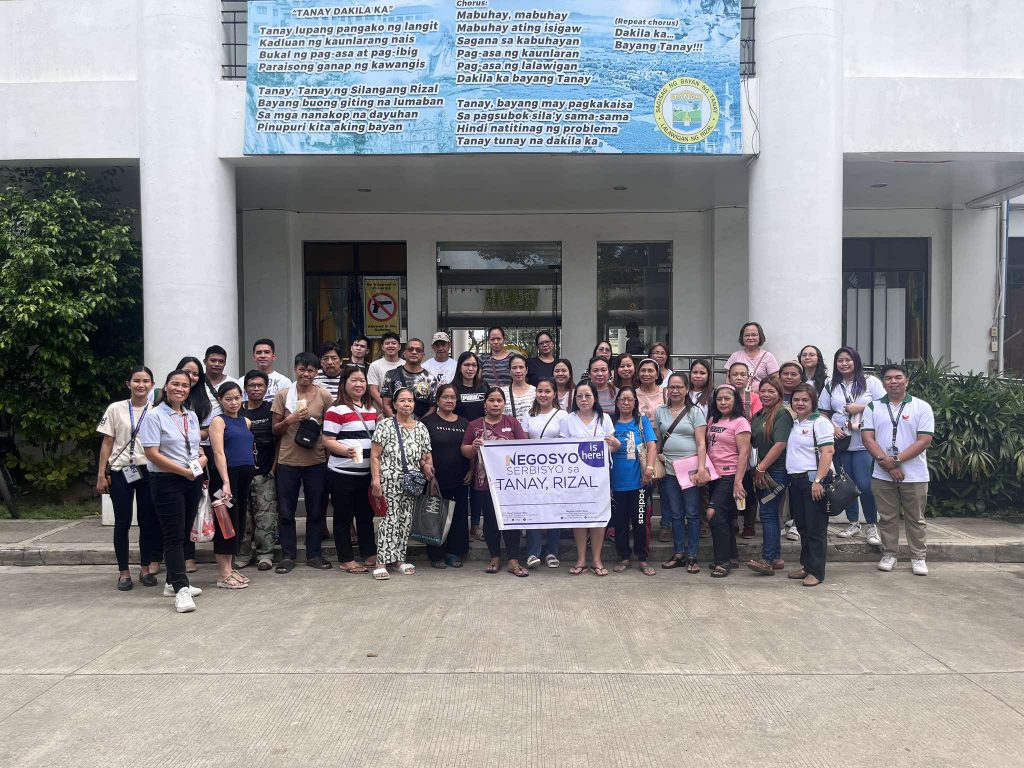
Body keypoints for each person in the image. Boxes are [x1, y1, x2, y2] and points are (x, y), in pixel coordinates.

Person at [138, 370, 206, 614]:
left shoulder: (191, 415)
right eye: (175, 384)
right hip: (167, 480)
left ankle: (171, 582)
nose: (180, 388)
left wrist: (201, 459)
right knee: (173, 535)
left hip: (191, 479)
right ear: (165, 387)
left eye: (185, 385)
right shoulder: (154, 416)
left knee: (184, 532)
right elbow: (152, 454)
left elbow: (196, 448)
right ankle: (180, 588)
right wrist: (182, 471)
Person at [861, 364, 935, 576]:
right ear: (883, 383)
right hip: (881, 473)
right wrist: (888, 463)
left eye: (898, 377)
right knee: (887, 517)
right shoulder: (873, 407)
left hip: (915, 474)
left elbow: (924, 440)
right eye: (888, 378)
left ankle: (918, 557)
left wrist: (896, 460)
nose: (893, 381)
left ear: (907, 381)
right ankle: (889, 554)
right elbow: (868, 438)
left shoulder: (921, 407)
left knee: (916, 518)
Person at [96, 365, 161, 591]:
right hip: (120, 470)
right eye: (136, 380)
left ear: (152, 385)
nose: (141, 385)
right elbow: (106, 443)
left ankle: (145, 569)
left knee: (147, 521)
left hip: (147, 470)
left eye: (145, 381)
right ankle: (124, 572)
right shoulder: (116, 409)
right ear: (128, 384)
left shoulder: (156, 411)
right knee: (122, 522)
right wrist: (101, 474)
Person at [271, 352, 334, 574]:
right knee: (286, 511)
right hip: (288, 460)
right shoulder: (283, 395)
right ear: (295, 369)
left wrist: (315, 422)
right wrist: (290, 420)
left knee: (315, 510)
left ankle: (314, 553)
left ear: (316, 372)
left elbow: (332, 429)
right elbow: (275, 429)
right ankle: (288, 555)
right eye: (302, 369)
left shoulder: (324, 396)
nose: (306, 374)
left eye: (311, 370)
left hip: (316, 460)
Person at [461, 388, 530, 576]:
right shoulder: (475, 425)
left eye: (499, 400)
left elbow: (524, 450)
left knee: (511, 520)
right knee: (490, 520)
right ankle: (494, 557)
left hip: (510, 484)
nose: (495, 404)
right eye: (492, 400)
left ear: (504, 404)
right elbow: (464, 450)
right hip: (485, 482)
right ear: (485, 403)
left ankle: (513, 560)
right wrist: (474, 447)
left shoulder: (512, 423)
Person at [820, 346, 885, 543]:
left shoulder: (870, 382)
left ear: (856, 361)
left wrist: (861, 407)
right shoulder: (831, 384)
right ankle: (853, 523)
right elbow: (822, 412)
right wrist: (832, 427)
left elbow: (884, 405)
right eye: (840, 360)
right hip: (841, 441)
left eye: (848, 359)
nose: (844, 363)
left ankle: (872, 525)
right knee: (845, 486)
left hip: (863, 441)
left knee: (865, 485)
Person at [370, 388, 435, 580]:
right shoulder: (385, 425)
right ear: (395, 404)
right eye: (402, 401)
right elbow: (375, 456)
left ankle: (399, 559)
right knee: (389, 520)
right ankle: (381, 562)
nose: (407, 404)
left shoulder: (421, 427)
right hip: (389, 480)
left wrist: (427, 465)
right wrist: (376, 481)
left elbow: (426, 454)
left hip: (412, 481)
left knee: (405, 520)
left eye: (410, 401)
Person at [557, 381, 620, 576]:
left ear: (595, 398)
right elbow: (563, 448)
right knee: (579, 515)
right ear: (574, 400)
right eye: (579, 396)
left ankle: (596, 559)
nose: (584, 399)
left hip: (599, 477)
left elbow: (612, 447)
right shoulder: (568, 419)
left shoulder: (605, 419)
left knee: (598, 516)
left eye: (588, 396)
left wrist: (616, 445)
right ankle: (581, 558)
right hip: (576, 477)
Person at [322, 366, 379, 574]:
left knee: (365, 516)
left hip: (366, 474)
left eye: (362, 381)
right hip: (342, 474)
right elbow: (327, 440)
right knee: (343, 517)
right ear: (344, 383)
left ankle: (369, 552)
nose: (359, 384)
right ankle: (346, 558)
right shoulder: (335, 410)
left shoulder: (371, 410)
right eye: (353, 380)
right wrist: (346, 451)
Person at [654, 373, 709, 573]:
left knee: (692, 514)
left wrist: (702, 469)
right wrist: (655, 460)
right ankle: (678, 553)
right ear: (667, 390)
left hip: (691, 468)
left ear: (687, 389)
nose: (675, 391)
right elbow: (658, 441)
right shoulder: (660, 411)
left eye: (680, 387)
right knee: (676, 513)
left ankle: (692, 555)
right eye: (672, 387)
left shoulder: (695, 412)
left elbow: (702, 443)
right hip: (669, 469)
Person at [785, 383, 835, 587]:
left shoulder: (820, 423)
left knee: (816, 528)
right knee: (803, 526)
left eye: (805, 400)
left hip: (813, 481)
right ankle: (806, 565)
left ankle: (817, 571)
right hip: (796, 481)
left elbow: (828, 452)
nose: (800, 403)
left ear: (813, 402)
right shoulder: (795, 423)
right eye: (796, 399)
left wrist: (818, 481)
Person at [208, 381, 255, 590]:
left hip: (244, 477)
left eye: (237, 398)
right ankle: (223, 573)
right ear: (220, 400)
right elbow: (218, 453)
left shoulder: (245, 421)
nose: (233, 402)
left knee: (237, 521)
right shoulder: (218, 421)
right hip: (225, 479)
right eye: (228, 399)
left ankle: (230, 566)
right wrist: (225, 482)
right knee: (225, 523)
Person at [746, 376, 793, 574]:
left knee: (767, 514)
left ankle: (766, 560)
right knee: (771, 514)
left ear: (779, 394)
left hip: (776, 472)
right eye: (763, 391)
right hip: (759, 470)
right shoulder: (758, 415)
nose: (766, 395)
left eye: (771, 391)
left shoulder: (782, 414)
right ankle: (776, 557)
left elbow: (780, 444)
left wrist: (761, 468)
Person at [518, 378, 566, 568]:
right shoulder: (528, 416)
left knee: (554, 510)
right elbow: (523, 442)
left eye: (547, 391)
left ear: (554, 394)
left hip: (556, 471)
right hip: (533, 472)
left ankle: (552, 552)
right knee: (534, 510)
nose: (543, 395)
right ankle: (533, 553)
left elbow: (565, 444)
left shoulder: (563, 415)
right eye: (540, 391)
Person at [704, 384, 751, 578]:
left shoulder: (740, 422)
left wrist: (738, 481)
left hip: (730, 475)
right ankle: (731, 557)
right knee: (723, 518)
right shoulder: (713, 420)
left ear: (735, 401)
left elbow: (744, 453)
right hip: (714, 475)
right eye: (719, 399)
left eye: (727, 398)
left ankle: (722, 563)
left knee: (713, 514)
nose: (723, 402)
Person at [421, 384, 470, 568]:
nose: (449, 400)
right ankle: (437, 555)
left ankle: (454, 553)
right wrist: (425, 466)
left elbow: (470, 448)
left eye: (453, 397)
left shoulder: (464, 422)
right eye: (445, 397)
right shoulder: (428, 422)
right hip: (435, 478)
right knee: (436, 516)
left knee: (458, 516)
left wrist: (471, 470)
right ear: (438, 400)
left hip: (460, 477)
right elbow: (421, 449)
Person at [610, 386, 658, 576]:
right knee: (620, 523)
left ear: (635, 402)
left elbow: (652, 446)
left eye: (630, 400)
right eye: (623, 399)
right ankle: (624, 557)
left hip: (639, 483)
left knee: (640, 522)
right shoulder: (610, 423)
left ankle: (642, 558)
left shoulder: (641, 422)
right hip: (616, 484)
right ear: (617, 402)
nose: (626, 403)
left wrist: (650, 469)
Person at [175, 356, 211, 574]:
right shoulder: (165, 399)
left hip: (196, 460)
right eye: (186, 372)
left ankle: (188, 554)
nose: (191, 377)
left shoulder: (202, 401)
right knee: (172, 513)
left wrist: (194, 434)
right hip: (170, 462)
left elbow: (209, 429)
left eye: (195, 373)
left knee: (190, 510)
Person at [239, 371, 278, 571]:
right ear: (245, 388)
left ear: (266, 388)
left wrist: (273, 467)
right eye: (252, 385)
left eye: (260, 385)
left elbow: (279, 439)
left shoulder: (272, 410)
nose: (256, 389)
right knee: (243, 516)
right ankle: (243, 553)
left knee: (266, 516)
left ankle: (266, 554)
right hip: (240, 472)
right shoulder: (237, 409)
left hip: (264, 471)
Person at [452, 351, 489, 541]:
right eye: (467, 365)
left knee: (478, 484)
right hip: (458, 441)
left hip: (481, 441)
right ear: (460, 367)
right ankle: (458, 526)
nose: (470, 368)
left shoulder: (484, 387)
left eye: (474, 365)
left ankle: (475, 525)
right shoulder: (453, 388)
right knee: (461, 483)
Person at [381, 337, 433, 418]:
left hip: (420, 427)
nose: (414, 352)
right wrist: (398, 424)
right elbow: (386, 404)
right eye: (410, 349)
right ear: (404, 353)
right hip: (396, 426)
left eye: (418, 350)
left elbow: (433, 407)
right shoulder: (391, 375)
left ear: (423, 355)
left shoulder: (430, 379)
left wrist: (419, 425)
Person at [726, 322, 780, 387]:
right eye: (747, 335)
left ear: (760, 337)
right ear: (742, 337)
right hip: (739, 395)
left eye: (754, 335)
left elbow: (776, 380)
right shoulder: (735, 356)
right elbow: (728, 379)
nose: (750, 338)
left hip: (762, 396)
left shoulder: (768, 357)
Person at [367, 331, 403, 413]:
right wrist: (387, 410)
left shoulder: (405, 364)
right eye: (387, 343)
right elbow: (373, 391)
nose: (390, 346)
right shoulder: (374, 365)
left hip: (405, 412)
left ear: (399, 346)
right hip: (382, 412)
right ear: (382, 347)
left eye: (394, 343)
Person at [251, 338, 292, 403]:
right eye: (259, 353)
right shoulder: (242, 381)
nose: (263, 356)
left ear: (274, 356)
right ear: (253, 356)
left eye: (267, 352)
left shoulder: (284, 382)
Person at [504, 353, 536, 420]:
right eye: (514, 368)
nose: (518, 371)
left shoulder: (535, 391)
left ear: (526, 370)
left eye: (521, 367)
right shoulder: (503, 392)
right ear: (509, 371)